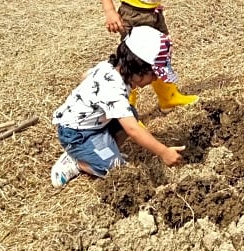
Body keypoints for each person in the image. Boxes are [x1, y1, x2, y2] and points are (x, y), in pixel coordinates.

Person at [50, 25, 186, 187]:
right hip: (77, 135)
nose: (155, 79)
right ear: (139, 68)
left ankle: (102, 150)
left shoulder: (109, 67)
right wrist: (164, 152)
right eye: (154, 74)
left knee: (131, 114)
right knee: (115, 169)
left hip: (95, 125)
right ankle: (77, 161)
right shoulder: (113, 89)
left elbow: (84, 76)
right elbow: (133, 130)